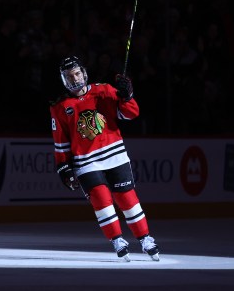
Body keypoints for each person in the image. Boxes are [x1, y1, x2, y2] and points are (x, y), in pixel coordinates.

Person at [49, 55, 160, 262]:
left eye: (77, 73)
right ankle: (117, 240)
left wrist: (127, 96)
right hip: (85, 162)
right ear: (64, 80)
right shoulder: (60, 107)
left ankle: (145, 239)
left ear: (84, 73)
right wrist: (63, 167)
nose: (74, 79)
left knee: (128, 200)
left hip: (115, 156)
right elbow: (61, 144)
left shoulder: (104, 91)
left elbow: (131, 114)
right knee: (102, 201)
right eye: (69, 76)